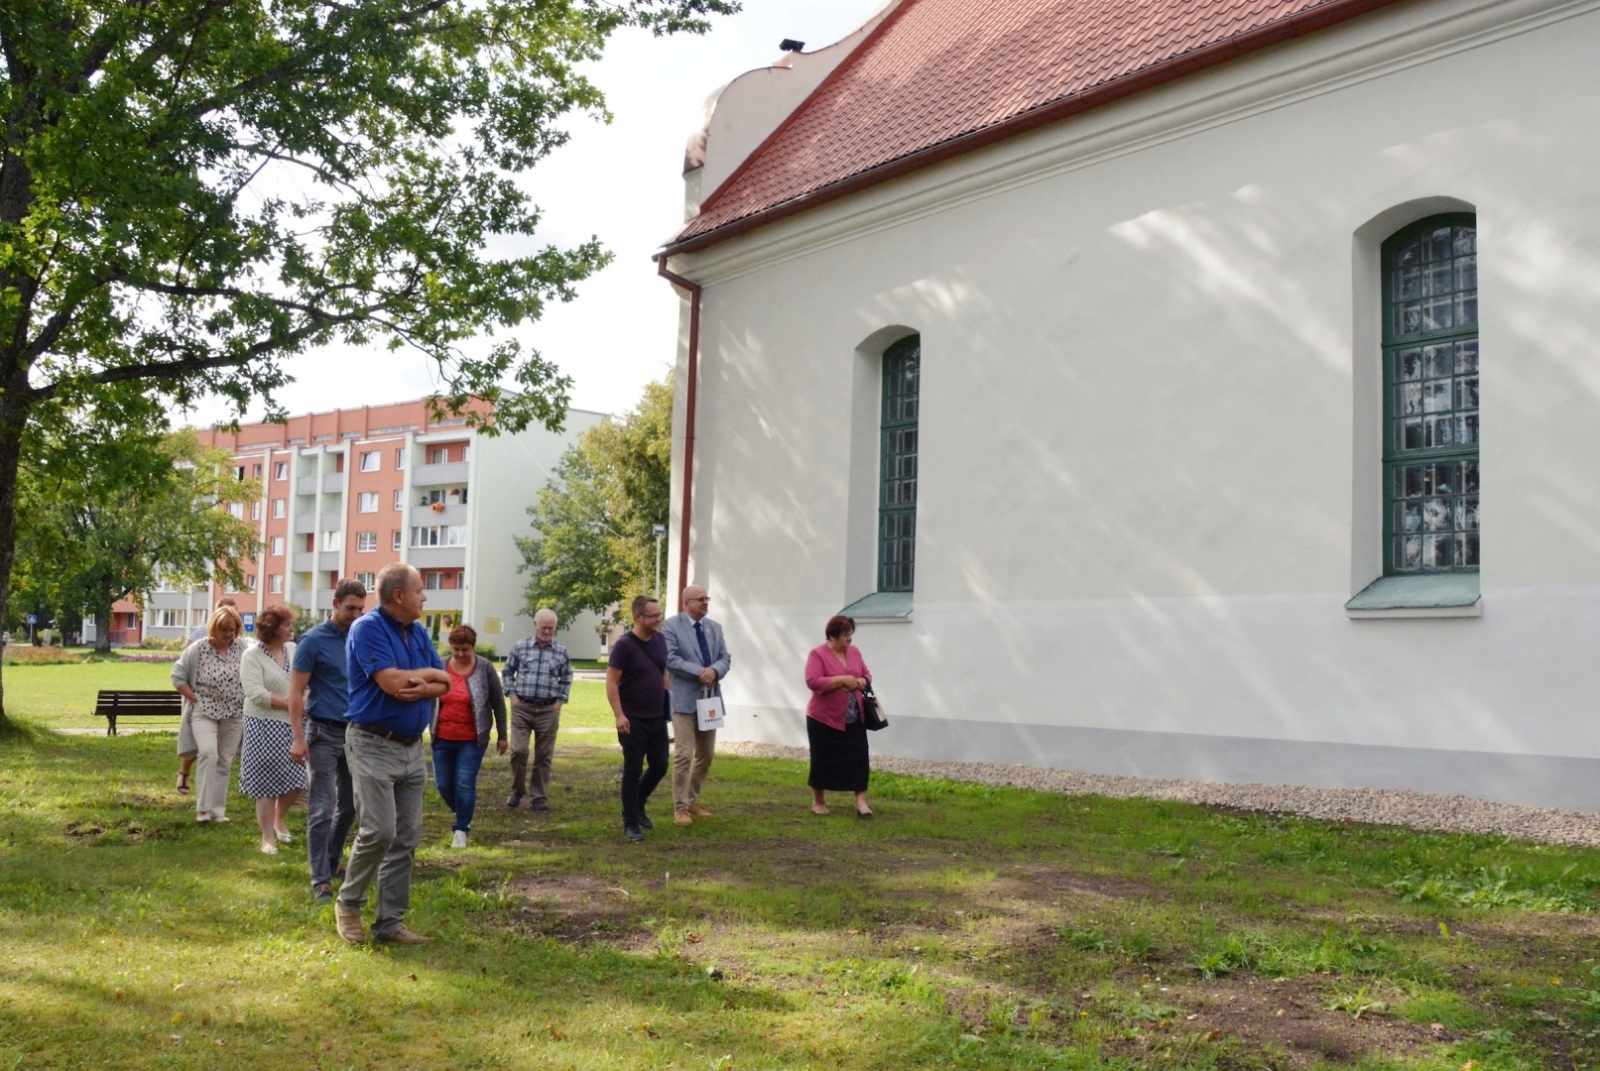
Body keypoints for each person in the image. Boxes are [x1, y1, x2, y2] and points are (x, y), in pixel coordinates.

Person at [336, 563, 450, 945]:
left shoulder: (417, 631)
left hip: (411, 748)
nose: (425, 596)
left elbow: (446, 679)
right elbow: (390, 682)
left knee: (406, 837)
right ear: (399, 595)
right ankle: (349, 905)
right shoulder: (367, 628)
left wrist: (423, 681)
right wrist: (426, 679)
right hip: (371, 743)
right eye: (420, 590)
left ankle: (389, 923)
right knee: (380, 830)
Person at [289, 579, 366, 904]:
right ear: (335, 604)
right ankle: (320, 879)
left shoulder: (361, 638)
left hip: (356, 734)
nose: (356, 614)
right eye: (350, 608)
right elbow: (295, 692)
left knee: (349, 806)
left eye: (361, 609)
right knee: (321, 807)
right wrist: (296, 738)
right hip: (321, 732)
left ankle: (332, 860)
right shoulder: (314, 641)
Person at [431, 624, 508, 847]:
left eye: (465, 649)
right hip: (442, 736)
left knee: (464, 783)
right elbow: (428, 697)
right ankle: (465, 812)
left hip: (472, 738)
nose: (461, 654)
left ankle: (461, 828)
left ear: (473, 646)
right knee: (443, 784)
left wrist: (502, 735)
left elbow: (497, 703)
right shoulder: (440, 666)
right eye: (456, 649)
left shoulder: (484, 668)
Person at [662, 585, 731, 825]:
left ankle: (691, 800)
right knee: (683, 754)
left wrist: (714, 670)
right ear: (686, 603)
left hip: (709, 700)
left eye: (707, 598)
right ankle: (679, 808)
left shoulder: (714, 628)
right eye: (699, 599)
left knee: (706, 754)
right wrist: (701, 671)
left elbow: (725, 658)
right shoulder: (671, 626)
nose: (705, 602)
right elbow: (670, 659)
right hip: (684, 700)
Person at [171, 606, 248, 823]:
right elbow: (177, 677)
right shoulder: (198, 649)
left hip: (233, 713)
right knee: (207, 752)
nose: (229, 635)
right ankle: (203, 809)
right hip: (204, 712)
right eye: (224, 630)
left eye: (232, 630)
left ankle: (217, 810)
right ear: (214, 628)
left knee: (224, 760)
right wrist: (194, 698)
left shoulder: (241, 647)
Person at [239, 605, 306, 854]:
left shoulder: (293, 649)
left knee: (299, 778)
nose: (292, 629)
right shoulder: (252, 656)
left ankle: (279, 817)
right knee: (265, 783)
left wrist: (303, 701)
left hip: (293, 725)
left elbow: (304, 682)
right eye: (287, 625)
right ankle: (268, 837)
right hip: (262, 725)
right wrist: (291, 704)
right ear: (272, 628)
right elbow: (255, 693)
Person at [606, 595, 672, 842]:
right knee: (632, 770)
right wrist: (619, 715)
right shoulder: (624, 645)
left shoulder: (660, 640)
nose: (658, 619)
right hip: (632, 719)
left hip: (657, 718)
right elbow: (612, 682)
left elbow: (663, 671)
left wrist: (670, 702)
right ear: (638, 617)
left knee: (660, 765)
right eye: (653, 615)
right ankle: (630, 822)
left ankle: (639, 802)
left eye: (659, 614)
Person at [803, 615, 874, 818]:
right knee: (822, 759)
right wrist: (841, 680)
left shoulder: (855, 652)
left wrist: (859, 682)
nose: (850, 638)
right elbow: (813, 681)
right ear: (833, 636)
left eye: (851, 633)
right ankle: (818, 801)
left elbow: (867, 676)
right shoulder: (817, 654)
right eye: (845, 634)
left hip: (854, 716)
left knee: (860, 758)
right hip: (823, 718)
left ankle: (861, 802)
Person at [501, 608, 571, 811]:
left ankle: (538, 797)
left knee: (544, 755)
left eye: (551, 628)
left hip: (548, 710)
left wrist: (559, 703)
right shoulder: (521, 647)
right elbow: (507, 672)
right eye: (544, 627)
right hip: (522, 707)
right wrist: (512, 696)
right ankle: (517, 790)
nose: (547, 631)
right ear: (535, 625)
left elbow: (566, 679)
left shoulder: (561, 651)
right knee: (519, 750)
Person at [175, 596, 238, 796]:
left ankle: (212, 799)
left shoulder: (236, 639)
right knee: (202, 744)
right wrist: (196, 696)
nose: (229, 632)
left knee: (216, 750)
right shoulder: (202, 635)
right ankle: (184, 771)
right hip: (201, 698)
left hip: (229, 706)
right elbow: (186, 661)